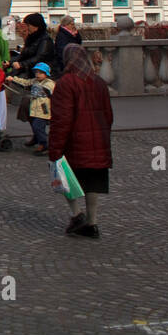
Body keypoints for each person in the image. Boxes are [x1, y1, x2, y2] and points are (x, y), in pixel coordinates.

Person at [49, 45, 113, 239]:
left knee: (66, 179)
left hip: (75, 141)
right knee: (93, 181)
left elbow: (62, 119)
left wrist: (55, 149)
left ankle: (77, 214)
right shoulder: (99, 82)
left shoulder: (66, 83)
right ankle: (92, 222)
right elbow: (109, 115)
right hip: (98, 140)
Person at [26, 62, 55, 153]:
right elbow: (26, 82)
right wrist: (13, 79)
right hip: (35, 109)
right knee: (35, 126)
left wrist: (33, 87)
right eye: (36, 72)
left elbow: (44, 89)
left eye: (40, 72)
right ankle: (37, 138)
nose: (37, 74)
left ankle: (44, 144)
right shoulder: (35, 81)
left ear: (46, 74)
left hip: (43, 110)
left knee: (37, 126)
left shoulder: (49, 83)